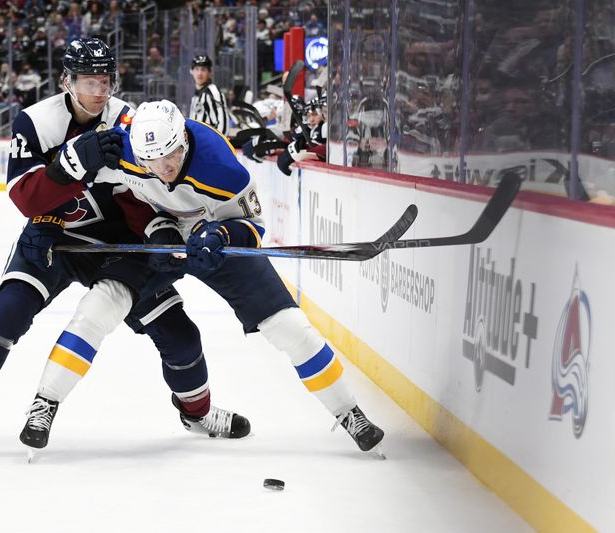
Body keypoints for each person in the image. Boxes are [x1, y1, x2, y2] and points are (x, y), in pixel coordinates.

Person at [0, 39, 249, 456]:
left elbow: (143, 195)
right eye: (89, 81)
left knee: (180, 333)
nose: (100, 90)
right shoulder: (35, 121)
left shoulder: (129, 122)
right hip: (52, 236)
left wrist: (158, 231)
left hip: (117, 244)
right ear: (67, 80)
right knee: (2, 315)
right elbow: (25, 198)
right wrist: (70, 165)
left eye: (106, 80)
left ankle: (198, 412)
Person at [28, 100, 386, 454]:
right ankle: (45, 403)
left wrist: (222, 236)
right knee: (101, 304)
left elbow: (254, 227)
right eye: (150, 161)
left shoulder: (220, 167)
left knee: (289, 325)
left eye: (171, 155)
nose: (162, 168)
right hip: (153, 237)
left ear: (183, 140)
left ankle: (349, 413)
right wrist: (50, 221)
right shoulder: (119, 149)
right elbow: (72, 184)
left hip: (212, 235)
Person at [189, 55, 228, 135]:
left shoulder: (213, 92)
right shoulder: (196, 95)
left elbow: (223, 123)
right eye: (196, 69)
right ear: (191, 71)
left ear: (210, 72)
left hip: (209, 145)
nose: (199, 73)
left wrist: (218, 144)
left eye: (203, 70)